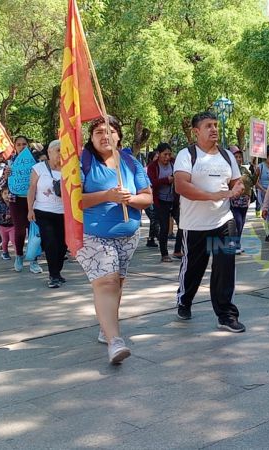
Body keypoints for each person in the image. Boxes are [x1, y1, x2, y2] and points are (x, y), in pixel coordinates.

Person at [77, 116, 152, 364]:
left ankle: (105, 327)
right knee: (107, 282)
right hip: (93, 235)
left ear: (119, 136)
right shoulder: (83, 162)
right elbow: (73, 199)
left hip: (128, 235)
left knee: (117, 282)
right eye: (97, 131)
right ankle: (115, 341)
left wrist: (128, 199)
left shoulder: (131, 162)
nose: (104, 135)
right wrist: (106, 195)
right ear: (90, 138)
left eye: (109, 131)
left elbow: (147, 197)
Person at [173, 111, 246, 332]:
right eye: (208, 126)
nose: (214, 129)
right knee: (194, 268)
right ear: (196, 132)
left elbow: (237, 182)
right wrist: (212, 195)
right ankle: (184, 300)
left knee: (225, 267)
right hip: (194, 224)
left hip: (224, 221)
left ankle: (226, 314)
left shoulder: (227, 156)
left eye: (215, 125)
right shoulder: (186, 155)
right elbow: (181, 186)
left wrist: (238, 189)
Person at [28, 140, 66, 288]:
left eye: (63, 150)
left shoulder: (70, 169)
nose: (60, 154)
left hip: (63, 213)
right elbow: (31, 189)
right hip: (43, 212)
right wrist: (30, 209)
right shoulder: (38, 168)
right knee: (50, 242)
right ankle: (53, 275)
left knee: (62, 245)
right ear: (49, 152)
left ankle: (57, 271)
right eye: (57, 150)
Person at [4, 136, 42, 274]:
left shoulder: (36, 161)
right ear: (15, 146)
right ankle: (19, 255)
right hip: (16, 201)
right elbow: (3, 185)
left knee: (35, 232)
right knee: (19, 230)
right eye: (19, 144)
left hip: (35, 201)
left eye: (24, 144)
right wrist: (6, 176)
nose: (22, 146)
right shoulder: (9, 163)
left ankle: (33, 260)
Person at [147, 143, 183, 262]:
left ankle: (177, 250)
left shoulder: (174, 162)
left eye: (169, 154)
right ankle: (164, 254)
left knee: (182, 224)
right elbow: (152, 182)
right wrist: (166, 180)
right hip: (161, 201)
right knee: (164, 228)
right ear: (159, 154)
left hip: (174, 200)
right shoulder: (153, 167)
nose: (167, 157)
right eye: (164, 154)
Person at [230, 146, 256, 254]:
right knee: (238, 222)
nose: (238, 159)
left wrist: (256, 171)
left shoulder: (245, 170)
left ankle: (237, 244)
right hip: (234, 201)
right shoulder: (229, 170)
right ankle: (234, 244)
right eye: (236, 157)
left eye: (240, 157)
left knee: (241, 223)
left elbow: (252, 182)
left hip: (245, 202)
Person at [144, 150, 161, 248]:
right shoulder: (146, 169)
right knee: (154, 217)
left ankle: (151, 239)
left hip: (156, 197)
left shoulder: (158, 169)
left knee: (154, 218)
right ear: (151, 158)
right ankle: (157, 236)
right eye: (156, 157)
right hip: (148, 197)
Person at [0, 187, 14, 260]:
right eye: (5, 193)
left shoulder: (14, 203)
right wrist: (3, 216)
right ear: (1, 194)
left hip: (12, 225)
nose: (7, 195)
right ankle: (5, 252)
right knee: (5, 241)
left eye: (8, 193)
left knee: (13, 240)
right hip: (2, 226)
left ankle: (18, 253)